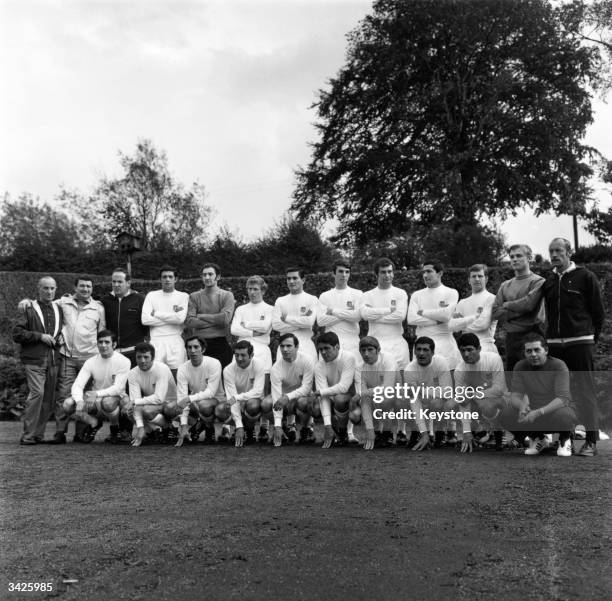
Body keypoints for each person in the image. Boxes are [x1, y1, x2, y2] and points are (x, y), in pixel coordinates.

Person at [541, 238, 605, 456]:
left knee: (586, 391)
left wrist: (588, 338)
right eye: (551, 251)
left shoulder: (586, 277)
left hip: (580, 343)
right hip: (555, 346)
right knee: (557, 393)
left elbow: (598, 313)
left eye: (558, 250)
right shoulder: (548, 281)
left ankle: (591, 442)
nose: (554, 254)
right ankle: (563, 440)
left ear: (570, 252)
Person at [44, 275, 106, 443]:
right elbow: (45, 305)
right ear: (75, 287)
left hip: (90, 359)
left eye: (88, 286)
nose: (85, 289)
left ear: (92, 289)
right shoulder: (63, 302)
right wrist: (28, 302)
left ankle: (81, 433)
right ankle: (60, 432)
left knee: (85, 397)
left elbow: (102, 333)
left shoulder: (98, 308)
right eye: (82, 286)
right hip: (68, 357)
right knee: (64, 395)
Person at [498, 333, 577, 457]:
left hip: (556, 409)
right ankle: (538, 438)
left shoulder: (558, 365)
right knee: (506, 414)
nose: (533, 354)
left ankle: (565, 439)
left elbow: (563, 398)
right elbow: (515, 396)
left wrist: (539, 412)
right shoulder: (520, 366)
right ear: (525, 353)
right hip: (533, 409)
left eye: (536, 350)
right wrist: (521, 407)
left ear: (545, 350)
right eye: (529, 351)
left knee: (564, 416)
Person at [12, 276, 63, 445]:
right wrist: (40, 336)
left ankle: (38, 435)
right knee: (37, 394)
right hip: (34, 360)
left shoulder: (59, 308)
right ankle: (27, 435)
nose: (49, 291)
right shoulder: (28, 308)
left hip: (54, 360)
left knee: (48, 398)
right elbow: (17, 334)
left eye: (52, 288)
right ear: (38, 289)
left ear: (56, 289)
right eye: (45, 288)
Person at [317, 261, 363, 444]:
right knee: (332, 388)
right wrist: (346, 314)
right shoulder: (325, 295)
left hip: (352, 345)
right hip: (331, 347)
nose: (344, 275)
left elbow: (357, 316)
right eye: (340, 272)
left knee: (351, 390)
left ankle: (350, 433)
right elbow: (320, 320)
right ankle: (336, 430)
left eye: (347, 272)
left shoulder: (357, 294)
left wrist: (333, 312)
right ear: (333, 273)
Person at [101, 267, 148, 443]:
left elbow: (146, 326)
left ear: (128, 282)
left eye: (120, 281)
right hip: (112, 354)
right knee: (112, 392)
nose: (116, 284)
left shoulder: (139, 299)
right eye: (113, 281)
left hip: (131, 353)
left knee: (128, 392)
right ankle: (114, 430)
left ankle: (127, 430)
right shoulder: (105, 301)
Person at [61, 330, 131, 443]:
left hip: (116, 399)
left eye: (107, 342)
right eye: (100, 342)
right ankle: (94, 423)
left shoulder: (124, 361)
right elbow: (78, 385)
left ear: (114, 344)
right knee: (67, 404)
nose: (103, 345)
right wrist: (79, 401)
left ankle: (115, 428)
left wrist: (96, 394)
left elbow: (118, 388)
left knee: (108, 402)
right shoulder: (91, 362)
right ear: (97, 344)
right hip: (94, 401)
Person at [491, 244, 544, 372]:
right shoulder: (505, 285)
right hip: (511, 339)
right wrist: (520, 310)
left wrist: (507, 305)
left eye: (519, 256)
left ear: (529, 258)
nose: (514, 259)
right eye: (512, 256)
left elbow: (529, 305)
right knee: (513, 382)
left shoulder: (538, 281)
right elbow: (495, 312)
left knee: (535, 381)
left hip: (532, 337)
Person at [349, 336, 408, 451]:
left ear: (378, 350)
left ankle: (390, 433)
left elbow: (388, 388)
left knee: (384, 398)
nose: (366, 354)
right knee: (358, 411)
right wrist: (370, 431)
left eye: (370, 350)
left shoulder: (388, 359)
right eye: (363, 350)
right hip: (376, 397)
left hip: (398, 398)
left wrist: (361, 394)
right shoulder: (359, 368)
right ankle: (376, 433)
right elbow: (364, 400)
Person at [454, 333, 508, 451]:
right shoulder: (459, 370)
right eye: (462, 351)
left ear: (479, 349)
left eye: (469, 350)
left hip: (499, 400)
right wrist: (466, 432)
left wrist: (473, 394)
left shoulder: (493, 359)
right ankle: (479, 431)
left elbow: (499, 389)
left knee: (486, 404)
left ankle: (499, 433)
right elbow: (462, 401)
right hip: (476, 402)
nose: (466, 354)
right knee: (451, 405)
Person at [261, 333, 315, 447]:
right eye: (282, 346)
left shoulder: (307, 360)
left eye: (289, 346)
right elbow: (276, 397)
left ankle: (307, 429)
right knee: (266, 403)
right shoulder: (276, 368)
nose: (285, 349)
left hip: (300, 398)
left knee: (305, 402)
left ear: (297, 346)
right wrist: (277, 426)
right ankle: (283, 427)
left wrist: (288, 397)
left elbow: (307, 388)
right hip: (282, 399)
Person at [172, 335, 225, 446]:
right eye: (189, 348)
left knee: (204, 405)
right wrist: (183, 425)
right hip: (195, 402)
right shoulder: (182, 368)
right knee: (171, 408)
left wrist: (188, 398)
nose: (193, 351)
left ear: (203, 349)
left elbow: (210, 392)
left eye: (196, 347)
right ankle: (196, 425)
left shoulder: (214, 363)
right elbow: (182, 398)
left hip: (216, 400)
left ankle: (210, 431)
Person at [403, 336, 455, 449]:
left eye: (425, 350)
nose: (421, 353)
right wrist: (424, 433)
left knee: (441, 403)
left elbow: (447, 392)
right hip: (419, 403)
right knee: (402, 403)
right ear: (414, 351)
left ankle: (440, 435)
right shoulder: (409, 370)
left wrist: (421, 390)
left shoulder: (441, 362)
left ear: (432, 352)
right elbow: (414, 402)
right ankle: (417, 434)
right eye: (418, 349)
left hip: (435, 401)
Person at [407, 261, 461, 370]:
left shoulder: (451, 292)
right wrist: (437, 321)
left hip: (446, 346)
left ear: (440, 273)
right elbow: (411, 319)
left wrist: (422, 312)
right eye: (423, 272)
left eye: (429, 271)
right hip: (422, 347)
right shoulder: (417, 295)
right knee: (421, 384)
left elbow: (445, 316)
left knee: (448, 384)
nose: (425, 275)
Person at [360, 258, 410, 368]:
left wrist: (374, 317)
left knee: (401, 383)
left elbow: (400, 316)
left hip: (397, 345)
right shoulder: (367, 295)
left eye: (390, 271)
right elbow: (364, 314)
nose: (387, 275)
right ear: (376, 274)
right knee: (377, 383)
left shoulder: (400, 293)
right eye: (383, 272)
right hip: (374, 346)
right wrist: (388, 310)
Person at [127, 342, 178, 447]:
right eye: (139, 357)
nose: (142, 360)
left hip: (171, 404)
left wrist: (135, 402)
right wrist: (140, 428)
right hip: (152, 403)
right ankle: (153, 431)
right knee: (128, 410)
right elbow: (135, 403)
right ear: (135, 358)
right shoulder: (132, 373)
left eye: (146, 357)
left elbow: (159, 398)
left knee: (146, 410)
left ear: (153, 357)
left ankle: (169, 428)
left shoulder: (162, 368)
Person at [141, 265, 189, 377]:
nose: (167, 279)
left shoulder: (183, 296)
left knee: (177, 376)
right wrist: (172, 318)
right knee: (156, 376)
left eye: (170, 276)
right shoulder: (151, 295)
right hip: (156, 341)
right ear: (160, 279)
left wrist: (156, 313)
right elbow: (145, 320)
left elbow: (180, 319)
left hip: (175, 342)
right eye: (164, 277)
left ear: (175, 279)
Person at [185, 263, 235, 368]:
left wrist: (201, 316)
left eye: (210, 274)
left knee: (222, 379)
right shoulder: (194, 297)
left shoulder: (227, 295)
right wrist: (216, 319)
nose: (207, 277)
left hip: (220, 343)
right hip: (199, 344)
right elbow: (190, 321)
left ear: (218, 276)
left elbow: (225, 319)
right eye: (204, 275)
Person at [312, 332, 357, 448]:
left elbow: (344, 387)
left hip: (352, 399)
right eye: (320, 349)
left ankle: (344, 433)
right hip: (332, 397)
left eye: (326, 348)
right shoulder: (318, 366)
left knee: (340, 399)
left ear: (337, 347)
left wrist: (321, 392)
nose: (323, 352)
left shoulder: (348, 357)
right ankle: (334, 432)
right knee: (315, 408)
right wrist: (327, 426)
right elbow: (323, 397)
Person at [219, 341, 266, 447]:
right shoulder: (228, 370)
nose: (239, 359)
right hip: (236, 403)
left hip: (253, 402)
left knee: (252, 405)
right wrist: (239, 426)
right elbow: (232, 397)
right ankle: (239, 429)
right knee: (220, 409)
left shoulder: (259, 365)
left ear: (251, 355)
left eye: (243, 355)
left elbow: (258, 391)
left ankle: (249, 429)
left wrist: (237, 397)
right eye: (236, 355)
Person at [448, 264, 498, 354]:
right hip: (465, 350)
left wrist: (461, 323)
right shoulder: (462, 303)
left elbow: (482, 324)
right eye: (474, 276)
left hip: (485, 349)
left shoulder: (492, 299)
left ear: (486, 279)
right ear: (469, 280)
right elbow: (451, 326)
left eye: (480, 276)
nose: (477, 279)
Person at [272, 267, 319, 361]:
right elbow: (276, 325)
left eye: (295, 278)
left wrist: (286, 319)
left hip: (306, 347)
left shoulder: (312, 299)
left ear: (303, 280)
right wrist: (300, 324)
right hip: (284, 348)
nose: (291, 281)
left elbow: (309, 322)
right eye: (288, 278)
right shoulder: (280, 301)